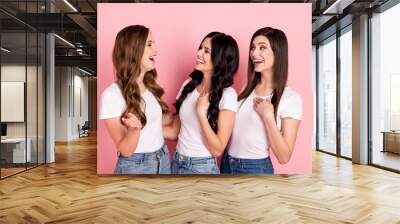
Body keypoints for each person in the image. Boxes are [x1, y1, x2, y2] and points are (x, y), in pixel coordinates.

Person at [221, 27, 302, 174]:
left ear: (278, 53)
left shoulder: (291, 98)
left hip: (254, 168)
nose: (254, 53)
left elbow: (284, 156)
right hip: (227, 162)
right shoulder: (247, 88)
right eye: (253, 47)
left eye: (262, 47)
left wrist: (268, 117)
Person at [164, 32, 239, 174]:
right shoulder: (188, 85)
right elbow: (174, 131)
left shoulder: (228, 95)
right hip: (176, 162)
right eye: (200, 48)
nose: (199, 53)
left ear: (220, 59)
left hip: (202, 167)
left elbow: (217, 149)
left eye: (206, 51)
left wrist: (201, 114)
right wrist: (142, 129)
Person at [99, 25, 170, 174]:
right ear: (133, 50)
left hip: (163, 158)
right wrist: (134, 131)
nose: (156, 50)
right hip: (137, 166)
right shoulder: (112, 95)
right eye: (149, 44)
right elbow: (126, 150)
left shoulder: (149, 86)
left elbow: (156, 122)